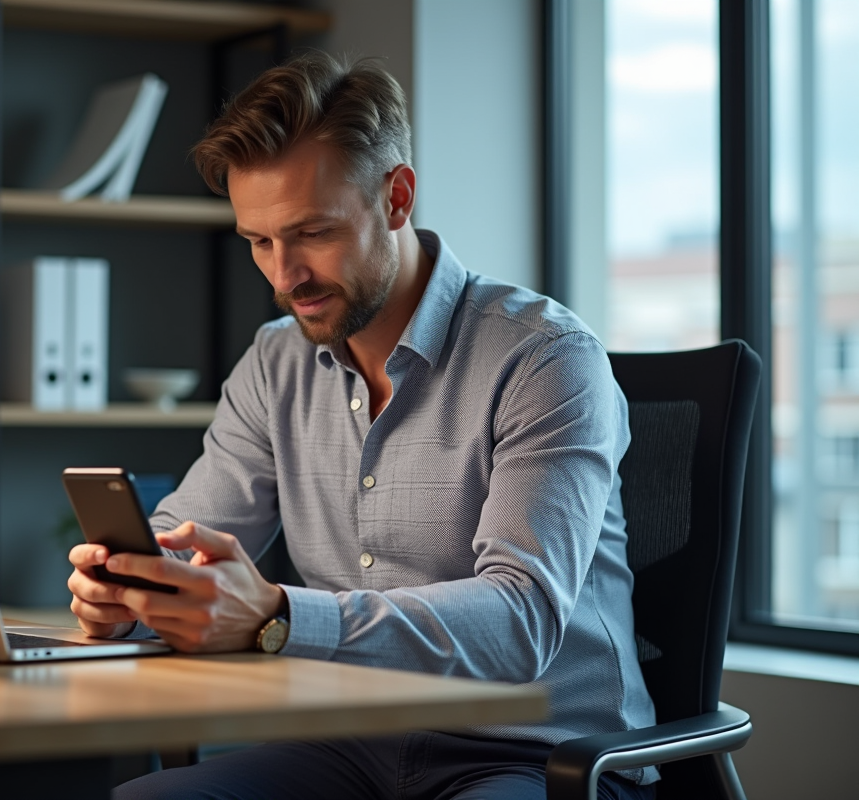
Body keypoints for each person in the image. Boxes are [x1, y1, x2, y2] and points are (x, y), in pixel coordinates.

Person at [67, 52, 658, 800]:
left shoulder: (544, 358)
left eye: (312, 232)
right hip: (348, 751)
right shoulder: (274, 363)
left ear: (397, 197)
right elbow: (193, 539)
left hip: (540, 758)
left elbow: (520, 620)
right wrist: (132, 592)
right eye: (258, 241)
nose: (285, 276)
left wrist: (280, 619)